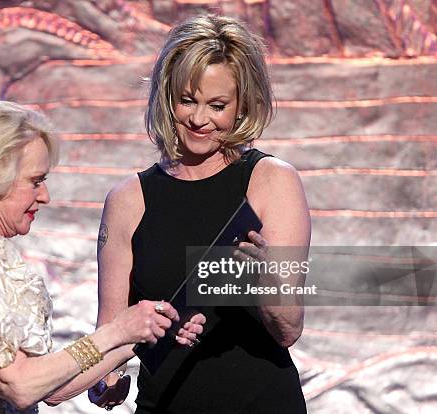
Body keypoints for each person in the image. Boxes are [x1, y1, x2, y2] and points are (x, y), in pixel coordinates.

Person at [0, 100, 205, 413]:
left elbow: (50, 388)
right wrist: (119, 330)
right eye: (35, 182)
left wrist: (142, 333)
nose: (45, 196)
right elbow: (20, 387)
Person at [91, 14, 311, 413]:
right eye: (187, 100)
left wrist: (264, 282)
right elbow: (111, 329)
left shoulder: (272, 181)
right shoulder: (127, 199)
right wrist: (104, 382)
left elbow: (289, 330)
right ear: (166, 94)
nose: (198, 119)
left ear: (243, 104)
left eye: (217, 105)